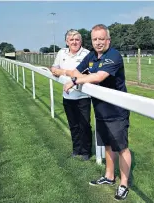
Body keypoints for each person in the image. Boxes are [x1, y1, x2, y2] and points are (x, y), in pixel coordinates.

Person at [63, 24, 131, 201]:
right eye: (95, 39)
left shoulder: (113, 55)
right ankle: (109, 177)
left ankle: (124, 184)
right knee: (107, 144)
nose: (98, 42)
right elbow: (78, 70)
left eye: (102, 39)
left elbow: (99, 76)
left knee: (121, 147)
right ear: (92, 41)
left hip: (116, 110)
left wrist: (75, 80)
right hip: (100, 108)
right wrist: (74, 76)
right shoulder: (91, 55)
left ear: (108, 40)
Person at [50, 29, 92, 161]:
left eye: (77, 39)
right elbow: (53, 68)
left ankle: (86, 151)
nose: (74, 42)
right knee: (73, 125)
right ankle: (76, 149)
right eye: (71, 40)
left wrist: (63, 71)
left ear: (81, 41)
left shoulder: (87, 54)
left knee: (84, 125)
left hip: (82, 96)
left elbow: (85, 75)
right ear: (67, 42)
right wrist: (56, 70)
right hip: (67, 95)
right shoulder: (61, 52)